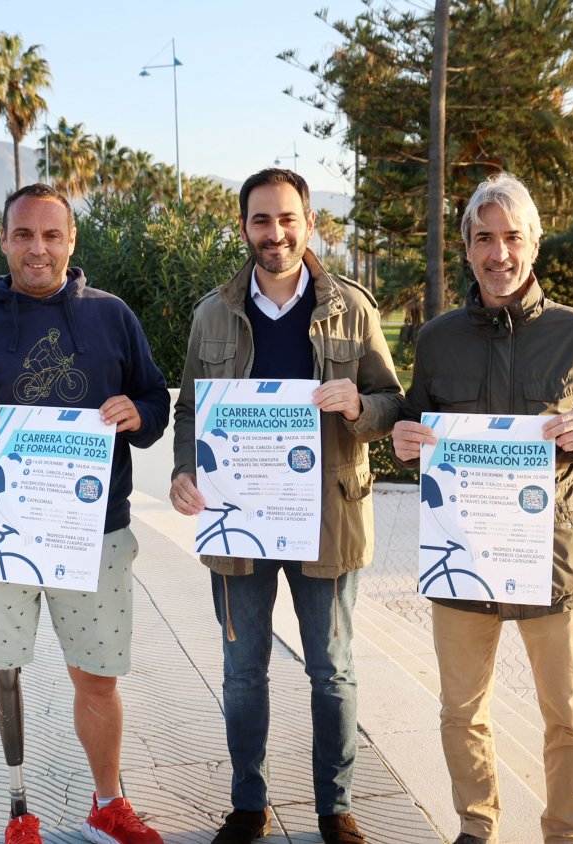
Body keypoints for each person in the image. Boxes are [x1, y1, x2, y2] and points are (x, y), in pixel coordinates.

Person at [390, 173, 573, 844]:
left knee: (569, 715)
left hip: (553, 560)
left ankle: (567, 834)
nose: (498, 254)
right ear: (466, 248)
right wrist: (403, 441)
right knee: (461, 710)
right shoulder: (436, 340)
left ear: (534, 243)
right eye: (482, 239)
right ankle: (477, 827)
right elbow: (414, 430)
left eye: (511, 238)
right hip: (463, 557)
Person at [0, 183, 171, 844]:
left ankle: (106, 804)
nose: (38, 249)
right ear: (3, 241)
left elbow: (153, 397)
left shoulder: (112, 317)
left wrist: (139, 412)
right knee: (4, 669)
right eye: (24, 235)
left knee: (96, 675)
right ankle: (17, 810)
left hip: (95, 532)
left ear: (71, 241)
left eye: (51, 235)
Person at [169, 168, 404, 844]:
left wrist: (360, 405)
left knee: (332, 672)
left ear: (309, 223)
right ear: (244, 228)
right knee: (243, 672)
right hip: (238, 521)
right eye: (262, 221)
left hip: (326, 518)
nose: (275, 234)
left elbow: (392, 403)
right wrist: (186, 471)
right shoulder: (213, 314)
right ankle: (250, 804)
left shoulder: (350, 309)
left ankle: (337, 808)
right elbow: (191, 411)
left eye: (287, 219)